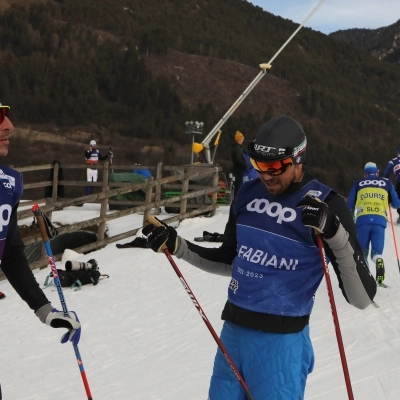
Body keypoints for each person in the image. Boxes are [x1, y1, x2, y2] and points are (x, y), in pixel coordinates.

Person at [142, 115, 377, 400]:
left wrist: (334, 232)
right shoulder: (248, 193)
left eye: (274, 166)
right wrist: (177, 245)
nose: (265, 175)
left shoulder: (327, 204)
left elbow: (361, 297)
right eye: (258, 164)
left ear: (298, 159)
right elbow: (231, 259)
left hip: (281, 342)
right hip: (234, 334)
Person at [0, 102, 81, 398]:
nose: (9, 125)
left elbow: (9, 253)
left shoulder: (7, 184)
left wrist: (44, 310)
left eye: (6, 116)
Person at [347, 162, 400, 285]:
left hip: (362, 220)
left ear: (365, 174)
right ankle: (378, 260)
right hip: (379, 220)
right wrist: (391, 202)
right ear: (377, 172)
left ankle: (366, 280)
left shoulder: (357, 183)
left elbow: (350, 206)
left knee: (363, 252)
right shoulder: (386, 182)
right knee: (376, 252)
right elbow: (397, 204)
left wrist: (350, 219)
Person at [383, 147, 400, 223]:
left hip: (399, 181)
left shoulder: (393, 161)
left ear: (397, 153)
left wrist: (385, 180)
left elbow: (387, 172)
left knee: (399, 198)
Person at [230, 131, 247, 198]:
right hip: (238, 170)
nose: (243, 140)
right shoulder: (237, 148)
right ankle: (237, 199)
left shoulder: (238, 148)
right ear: (239, 139)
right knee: (238, 186)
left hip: (239, 169)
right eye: (242, 139)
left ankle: (237, 198)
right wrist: (245, 165)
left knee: (239, 185)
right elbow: (238, 159)